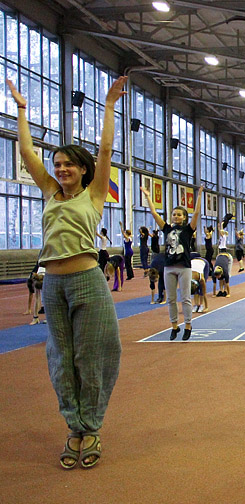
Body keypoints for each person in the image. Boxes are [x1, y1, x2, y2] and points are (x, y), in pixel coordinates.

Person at [7, 76, 127, 469]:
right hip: (53, 284)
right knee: (61, 358)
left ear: (82, 168)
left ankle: (91, 427)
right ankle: (73, 427)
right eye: (57, 164)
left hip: (88, 282)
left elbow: (107, 148)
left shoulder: (93, 195)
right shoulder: (48, 191)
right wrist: (23, 111)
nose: (61, 169)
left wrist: (109, 105)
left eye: (68, 164)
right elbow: (26, 152)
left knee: (92, 357)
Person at [141, 184, 204, 341]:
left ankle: (188, 325)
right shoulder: (167, 229)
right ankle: (174, 326)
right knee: (170, 299)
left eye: (179, 215)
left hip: (183, 267)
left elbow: (196, 213)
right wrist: (148, 197)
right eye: (174, 214)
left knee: (185, 298)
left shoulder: (188, 230)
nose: (176, 217)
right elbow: (154, 213)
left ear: (184, 218)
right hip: (168, 267)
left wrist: (200, 195)